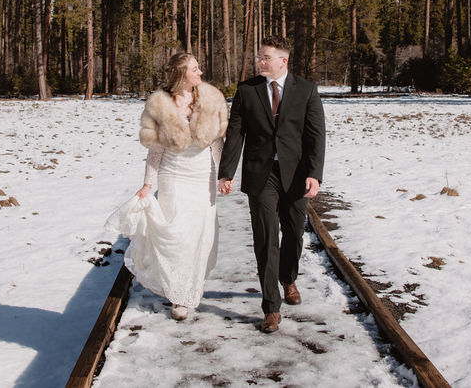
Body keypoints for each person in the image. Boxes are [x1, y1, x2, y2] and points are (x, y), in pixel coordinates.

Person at [106, 52, 228, 321]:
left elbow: (218, 141)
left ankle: (190, 284)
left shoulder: (210, 98)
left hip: (202, 175)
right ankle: (178, 293)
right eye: (195, 69)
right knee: (176, 233)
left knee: (198, 233)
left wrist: (223, 175)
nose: (201, 73)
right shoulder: (160, 103)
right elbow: (155, 150)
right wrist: (148, 183)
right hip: (173, 175)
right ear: (181, 74)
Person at [217, 35, 326, 333]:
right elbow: (236, 134)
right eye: (259, 57)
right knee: (266, 238)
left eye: (266, 57)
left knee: (293, 234)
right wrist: (226, 172)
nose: (260, 62)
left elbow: (316, 136)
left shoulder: (306, 90)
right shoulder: (247, 91)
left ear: (283, 61)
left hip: (296, 175)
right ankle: (271, 307)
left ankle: (288, 278)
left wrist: (314, 174)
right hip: (260, 175)